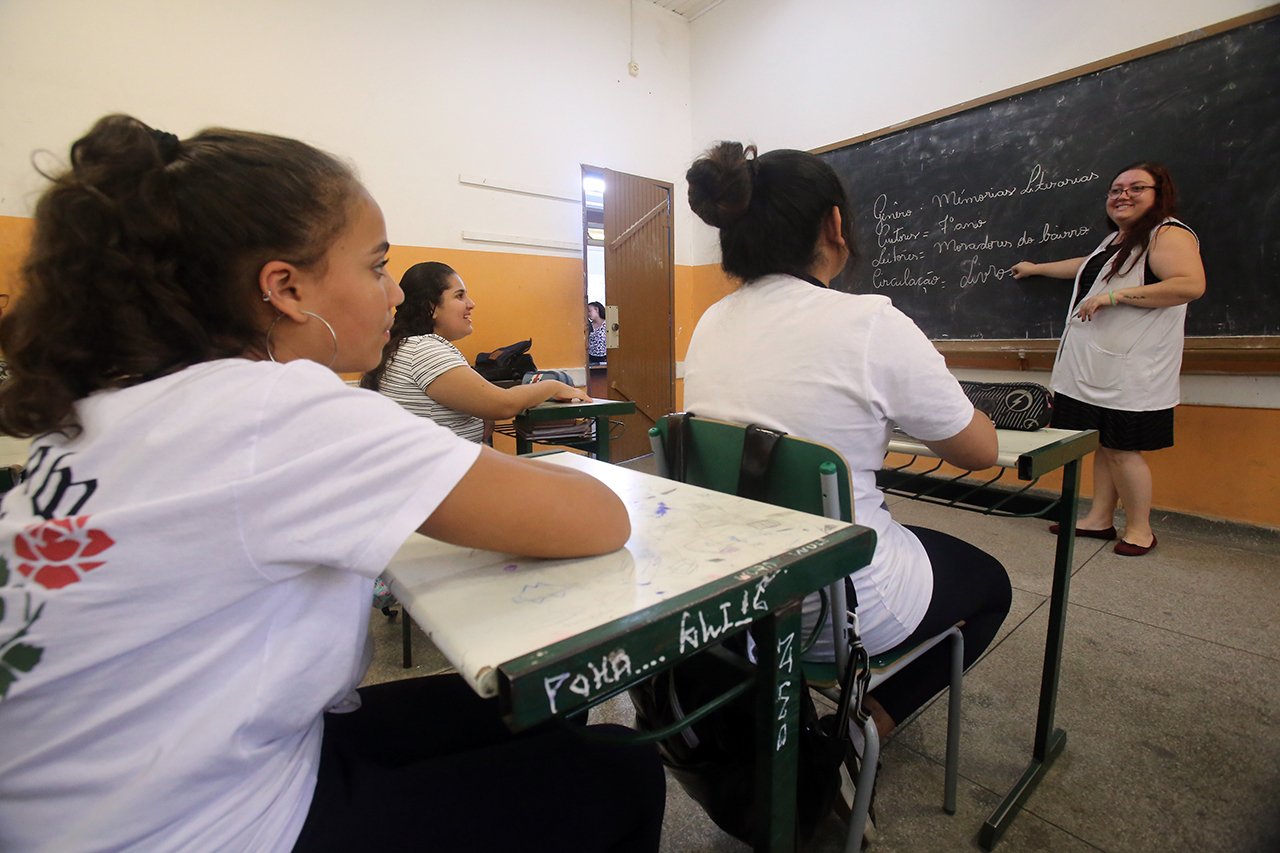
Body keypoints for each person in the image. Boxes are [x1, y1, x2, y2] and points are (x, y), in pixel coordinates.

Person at [0, 115, 663, 853]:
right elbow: (600, 518)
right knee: (621, 769)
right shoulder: (270, 408)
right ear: (285, 289)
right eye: (377, 266)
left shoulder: (102, 407)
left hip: (87, 804)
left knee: (538, 705)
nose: (393, 293)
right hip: (195, 828)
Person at [683, 142, 1011, 746]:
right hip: (839, 611)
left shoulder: (710, 322)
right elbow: (980, 452)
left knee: (904, 534)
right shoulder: (871, 324)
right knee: (990, 583)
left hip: (736, 599)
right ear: (834, 224)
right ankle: (866, 728)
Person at [1011, 162, 1205, 556]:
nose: (1123, 195)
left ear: (1159, 194)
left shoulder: (1167, 233)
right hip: (1097, 368)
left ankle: (1140, 530)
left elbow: (1189, 284)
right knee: (1104, 444)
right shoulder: (1119, 240)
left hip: (1131, 370)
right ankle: (1099, 518)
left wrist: (1113, 297)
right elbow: (1085, 267)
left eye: (1136, 188)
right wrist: (1036, 269)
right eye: (1116, 190)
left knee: (1122, 450)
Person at [361, 262, 587, 443]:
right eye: (459, 296)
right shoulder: (425, 350)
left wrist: (481, 416)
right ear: (432, 307)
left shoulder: (404, 346)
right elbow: (504, 405)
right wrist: (553, 386)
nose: (471, 304)